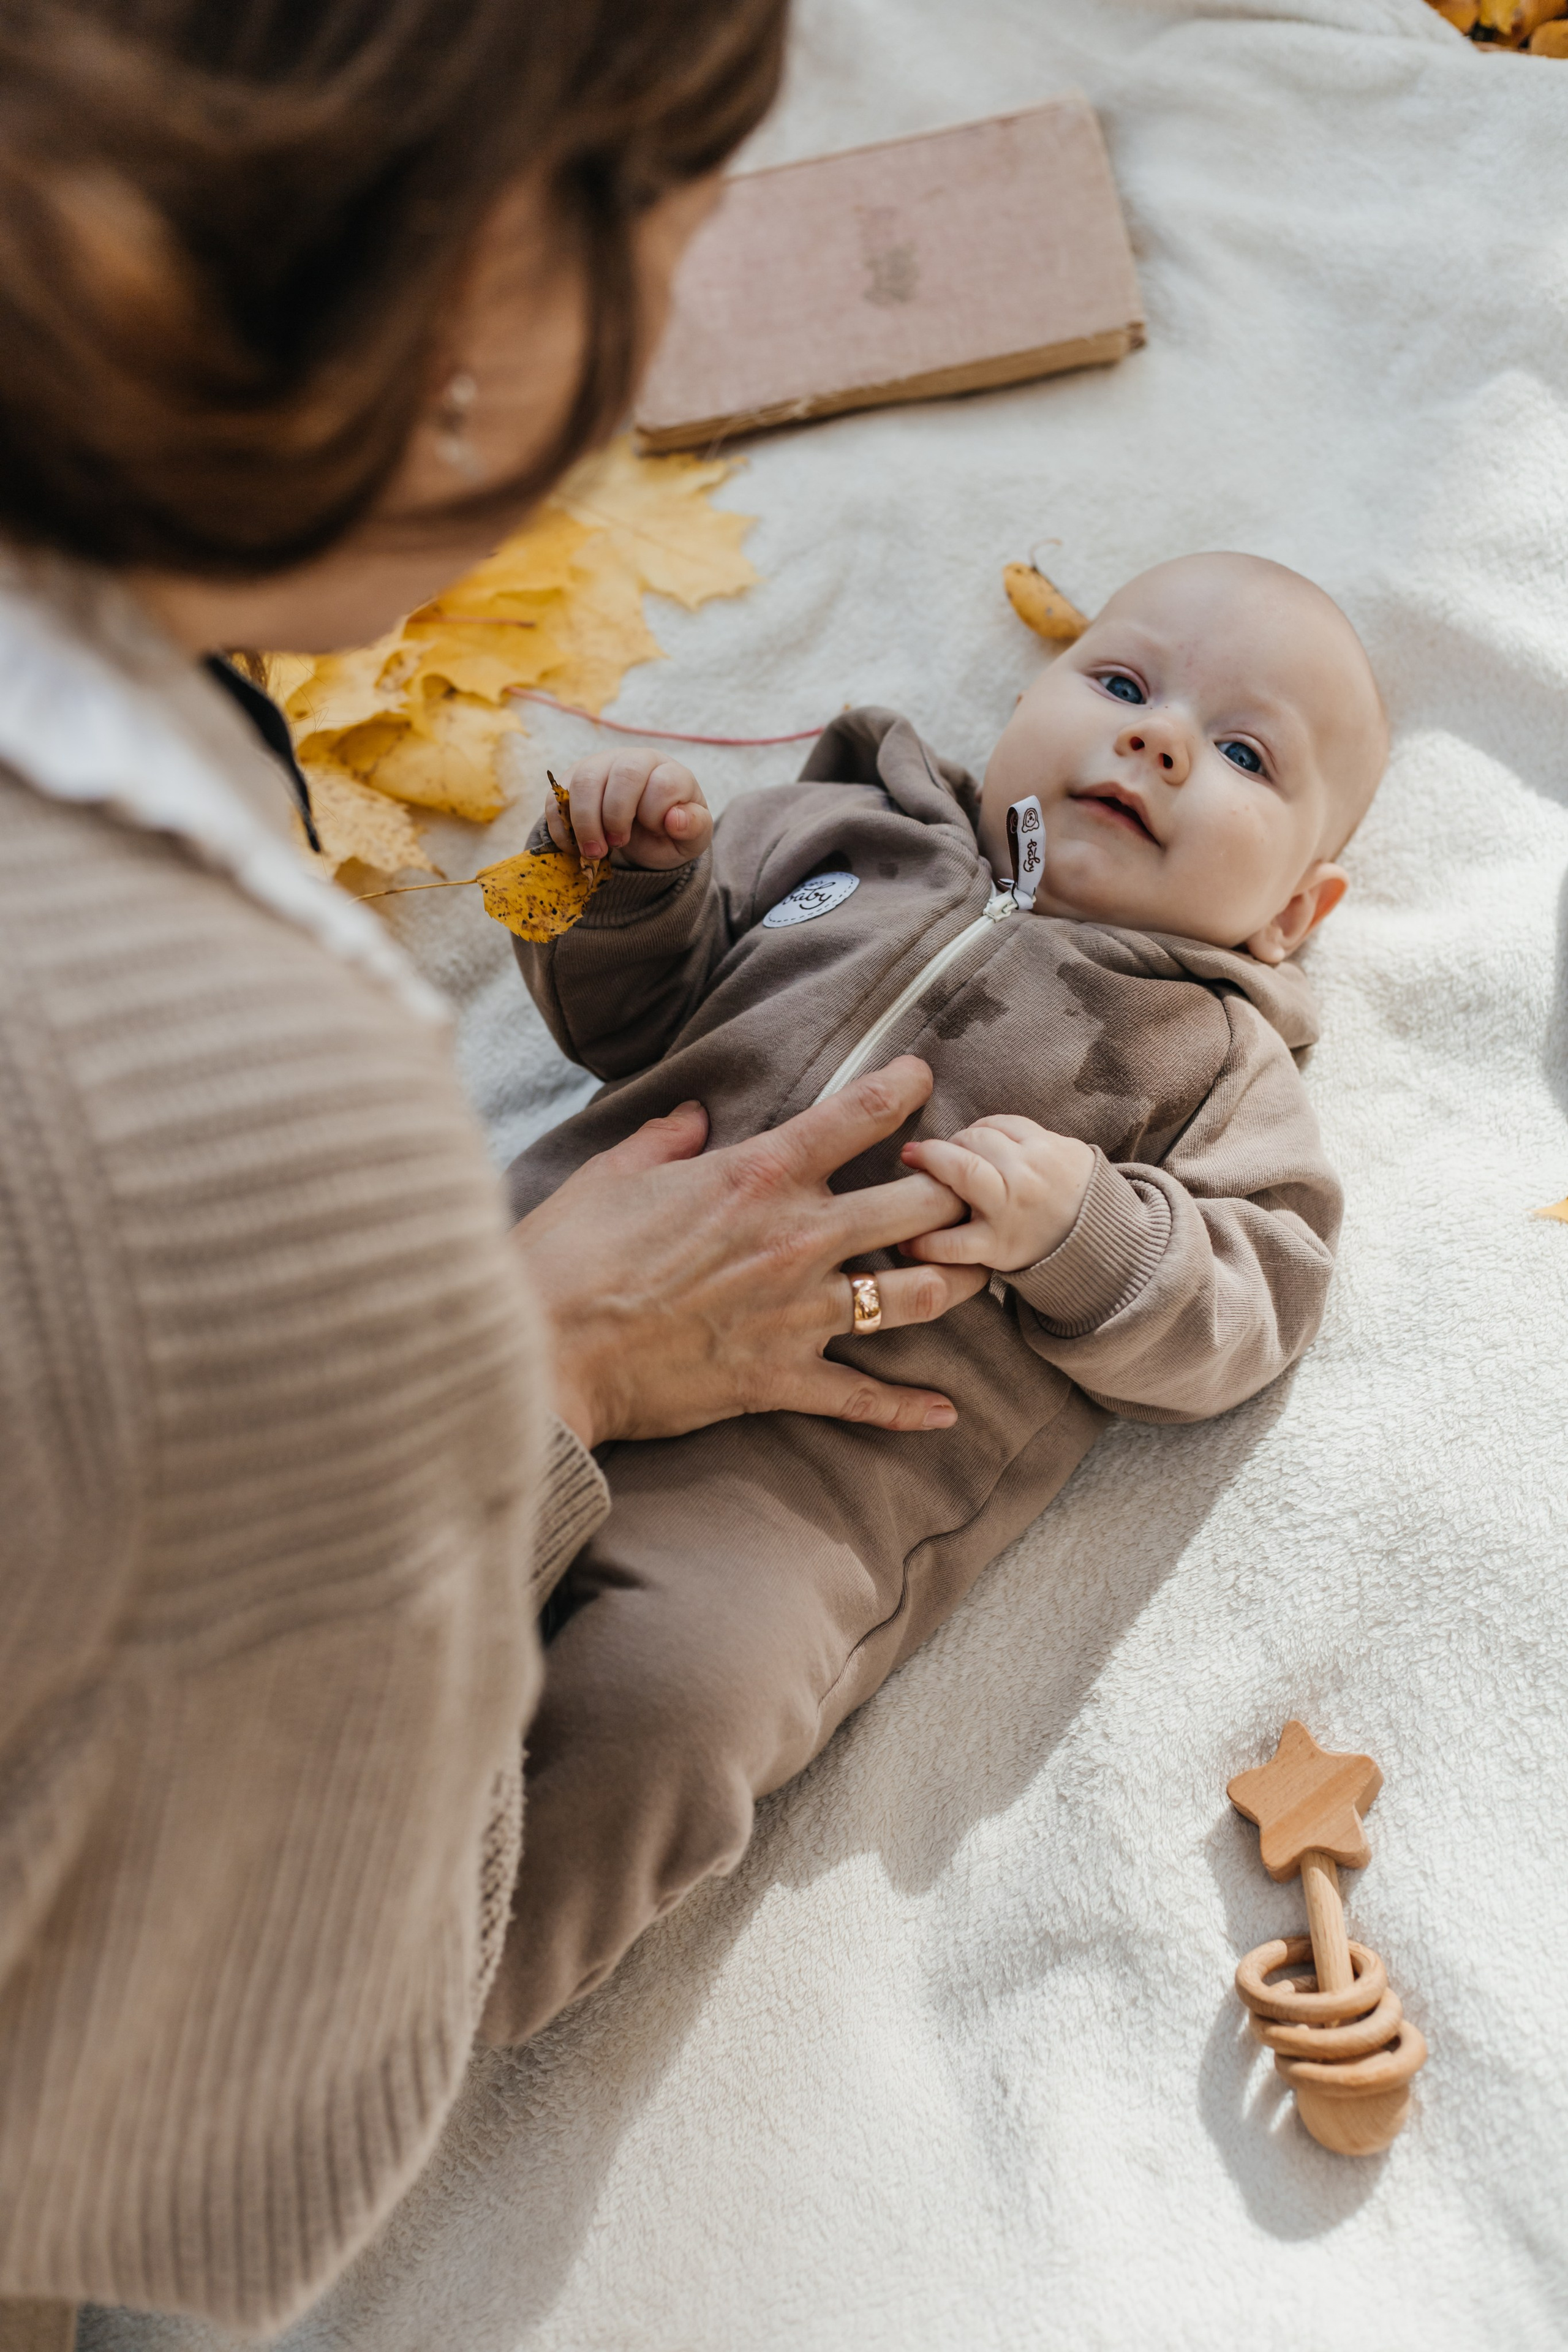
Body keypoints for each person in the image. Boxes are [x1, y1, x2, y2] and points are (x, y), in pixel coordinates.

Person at [0, 4, 999, 2343]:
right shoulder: (225, 1138)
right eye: (671, 215)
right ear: (462, 319)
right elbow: (207, 2141)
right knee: (681, 1697)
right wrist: (519, 1385)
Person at [483, 552, 1389, 2045]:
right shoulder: (838, 835)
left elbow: (1254, 1299)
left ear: (1296, 910)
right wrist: (620, 890)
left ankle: (405, 2017)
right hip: (528, 1308)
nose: (1157, 737)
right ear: (1023, 703)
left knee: (671, 1710)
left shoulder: (1215, 1058)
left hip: (775, 1516)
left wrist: (1087, 1230)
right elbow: (626, 1019)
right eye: (1119, 682)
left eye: (1240, 753)